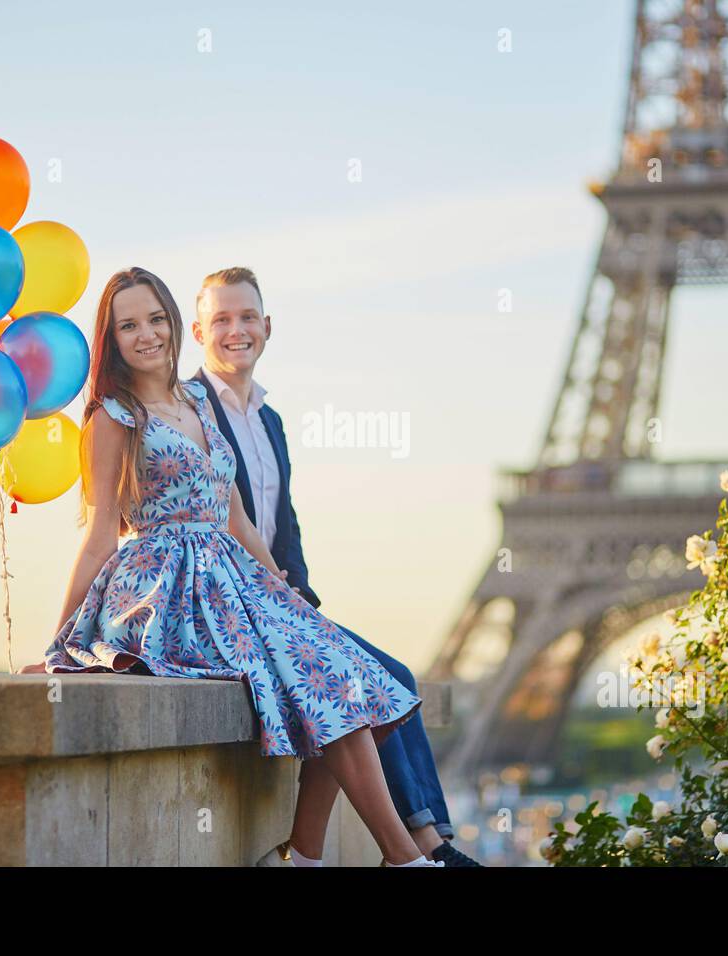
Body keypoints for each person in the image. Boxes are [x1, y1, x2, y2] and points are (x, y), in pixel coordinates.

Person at [26, 266, 440, 867]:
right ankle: (404, 860)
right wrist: (61, 643)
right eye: (128, 326)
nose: (147, 335)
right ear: (111, 340)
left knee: (354, 683)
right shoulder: (112, 416)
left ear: (174, 324)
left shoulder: (198, 400)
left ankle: (304, 854)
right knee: (327, 689)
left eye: (156, 319)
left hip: (234, 579)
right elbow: (99, 534)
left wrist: (284, 592)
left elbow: (238, 517)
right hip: (168, 588)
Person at [190, 266, 482, 867]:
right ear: (198, 331)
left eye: (247, 317)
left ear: (267, 328)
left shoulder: (268, 419)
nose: (235, 329)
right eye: (221, 319)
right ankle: (415, 848)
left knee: (392, 679)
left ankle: (400, 845)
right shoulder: (189, 412)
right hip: (231, 608)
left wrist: (308, 608)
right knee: (359, 685)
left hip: (280, 601)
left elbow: (282, 524)